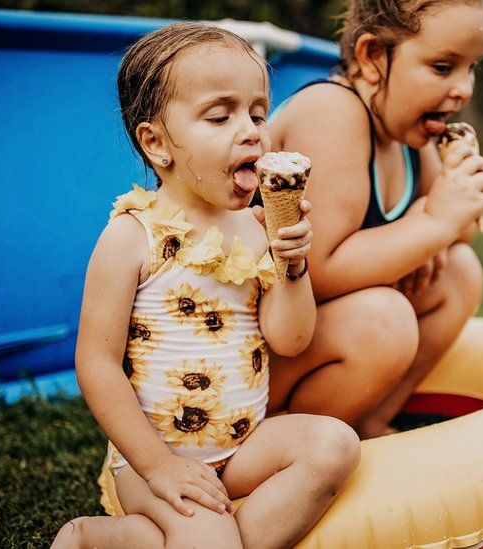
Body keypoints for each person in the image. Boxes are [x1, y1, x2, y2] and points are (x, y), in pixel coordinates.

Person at [51, 23, 360, 548]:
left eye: (258, 113)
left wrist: (293, 265)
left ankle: (153, 542)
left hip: (242, 445)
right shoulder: (131, 237)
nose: (251, 131)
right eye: (220, 116)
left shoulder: (259, 230)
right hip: (157, 454)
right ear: (156, 143)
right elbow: (96, 363)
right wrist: (159, 466)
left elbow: (290, 340)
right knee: (210, 538)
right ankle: (92, 537)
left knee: (335, 444)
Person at [267, 0, 483, 438]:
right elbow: (318, 268)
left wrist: (434, 215)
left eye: (472, 68)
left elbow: (462, 228)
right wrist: (430, 225)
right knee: (381, 320)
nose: (464, 88)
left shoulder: (404, 131)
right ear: (374, 57)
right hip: (244, 355)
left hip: (302, 341)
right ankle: (288, 438)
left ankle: (371, 415)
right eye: (443, 67)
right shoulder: (332, 111)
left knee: (460, 273)